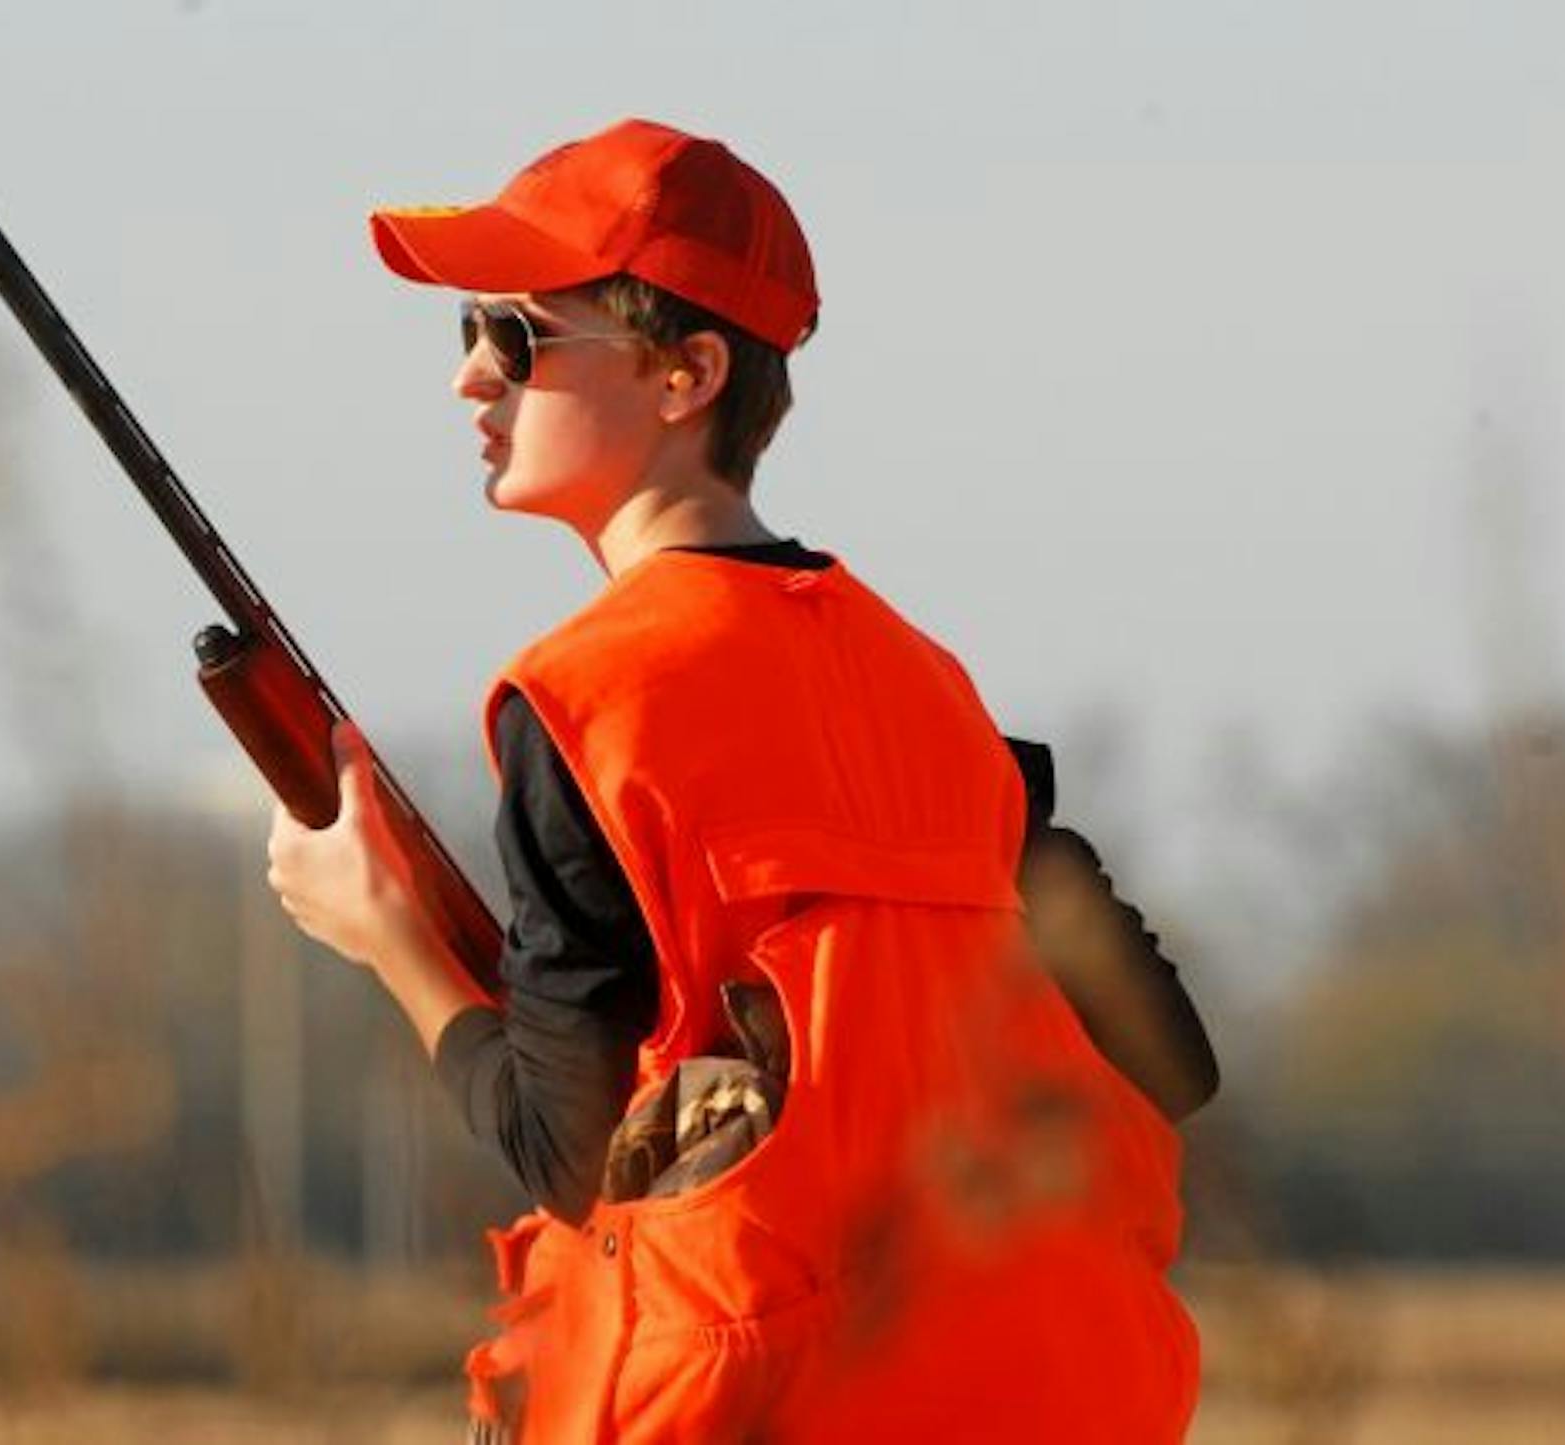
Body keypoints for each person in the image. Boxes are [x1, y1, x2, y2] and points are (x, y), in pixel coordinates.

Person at [268, 117, 1211, 1444]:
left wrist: (391, 941)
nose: (473, 382)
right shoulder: (931, 682)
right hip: (1055, 1392)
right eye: (465, 335)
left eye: (520, 338)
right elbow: (1165, 1060)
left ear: (686, 375)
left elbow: (570, 1153)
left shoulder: (584, 699)